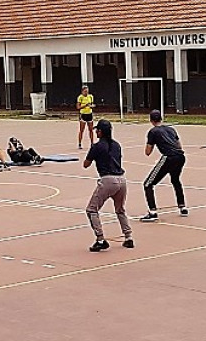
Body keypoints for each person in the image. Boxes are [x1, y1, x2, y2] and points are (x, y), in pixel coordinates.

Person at [83, 119, 133, 251]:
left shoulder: (97, 146)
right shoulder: (117, 145)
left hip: (107, 180)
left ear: (100, 131)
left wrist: (93, 155)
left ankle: (100, 240)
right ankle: (128, 237)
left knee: (92, 209)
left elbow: (86, 164)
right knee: (120, 209)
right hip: (122, 180)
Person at [140, 109, 188, 222]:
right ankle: (183, 207)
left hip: (169, 157)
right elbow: (179, 145)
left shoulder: (153, 132)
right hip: (180, 157)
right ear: (161, 118)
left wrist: (150, 143)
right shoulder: (171, 129)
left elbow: (148, 152)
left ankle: (152, 212)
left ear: (151, 120)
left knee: (148, 184)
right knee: (175, 180)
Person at [76, 85, 95, 149]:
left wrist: (92, 106)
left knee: (91, 130)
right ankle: (79, 143)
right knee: (82, 130)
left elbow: (91, 104)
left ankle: (92, 143)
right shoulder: (80, 97)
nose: (86, 93)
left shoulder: (91, 96)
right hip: (83, 114)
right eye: (85, 91)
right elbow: (78, 107)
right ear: (82, 91)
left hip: (89, 114)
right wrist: (85, 105)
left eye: (87, 91)